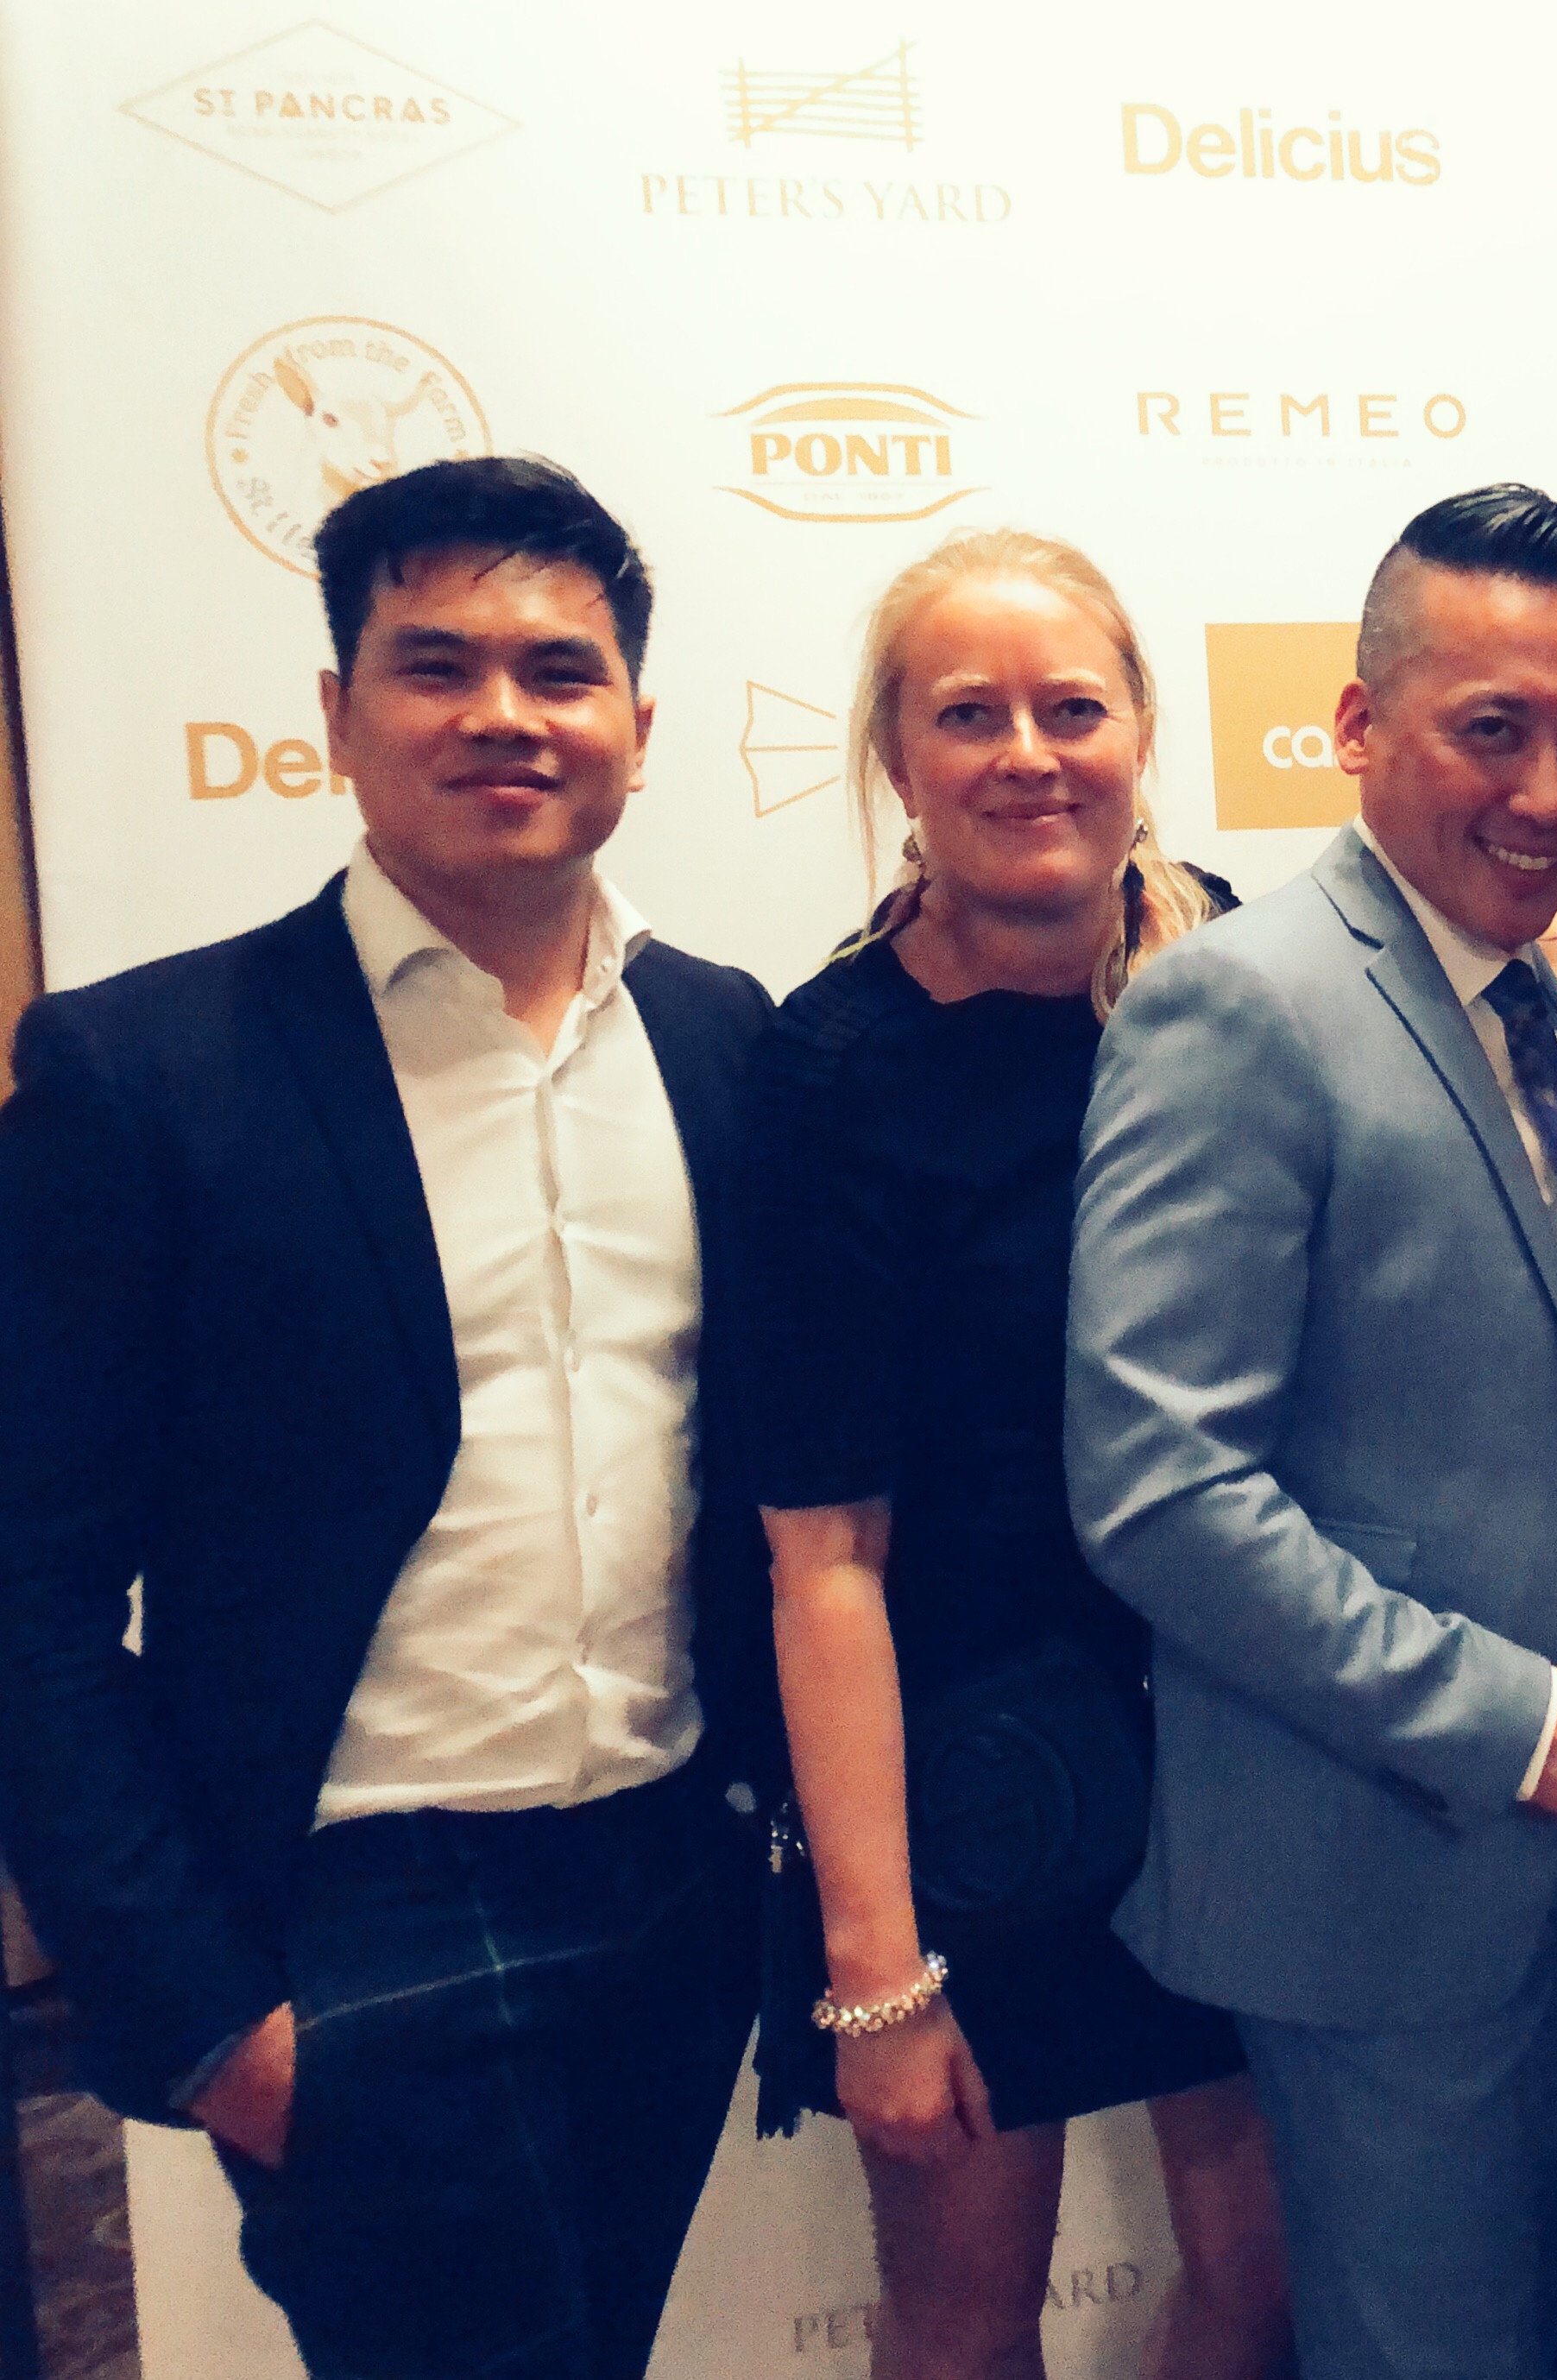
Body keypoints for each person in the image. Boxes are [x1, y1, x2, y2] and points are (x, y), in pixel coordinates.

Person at [0, 456, 778, 2379]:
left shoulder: (724, 1036)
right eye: (438, 665)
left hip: (670, 1880)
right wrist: (204, 2015)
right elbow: (27, 1584)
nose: (506, 713)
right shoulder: (140, 1069)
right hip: (356, 1912)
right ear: (338, 716)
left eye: (560, 670)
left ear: (639, 726)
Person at [1063, 483, 1557, 2380]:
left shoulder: (1531, 988)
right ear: (1358, 727)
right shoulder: (1237, 1005)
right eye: (1490, 728)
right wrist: (1517, 1718)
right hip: (1384, 1866)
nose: (1549, 790)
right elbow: (1161, 1488)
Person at [734, 527, 1292, 2380]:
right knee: (966, 2326)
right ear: (895, 759)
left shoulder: (1239, 973)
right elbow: (821, 1556)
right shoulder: (829, 1071)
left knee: (1272, 2282)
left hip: (1241, 1735)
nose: (1028, 754)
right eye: (968, 714)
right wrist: (876, 1970)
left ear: (1142, 732)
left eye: (1072, 707)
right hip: (967, 1781)